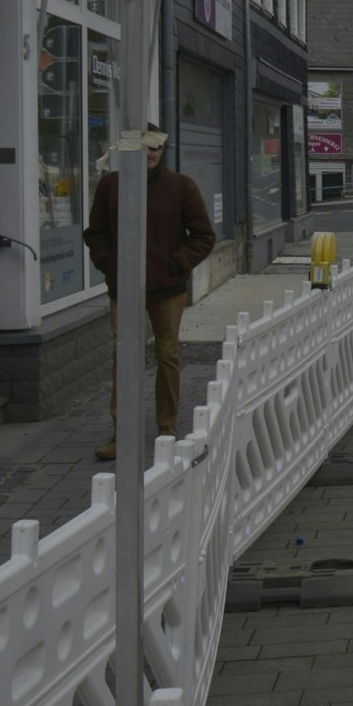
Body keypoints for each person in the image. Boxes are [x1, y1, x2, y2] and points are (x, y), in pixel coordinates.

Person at [83, 123, 215, 460]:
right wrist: (110, 266)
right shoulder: (111, 185)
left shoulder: (181, 186)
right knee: (123, 357)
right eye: (144, 147)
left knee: (167, 356)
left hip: (167, 290)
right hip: (124, 290)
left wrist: (175, 265)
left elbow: (203, 236)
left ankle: (166, 425)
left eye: (156, 147)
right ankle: (122, 431)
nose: (151, 153)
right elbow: (95, 233)